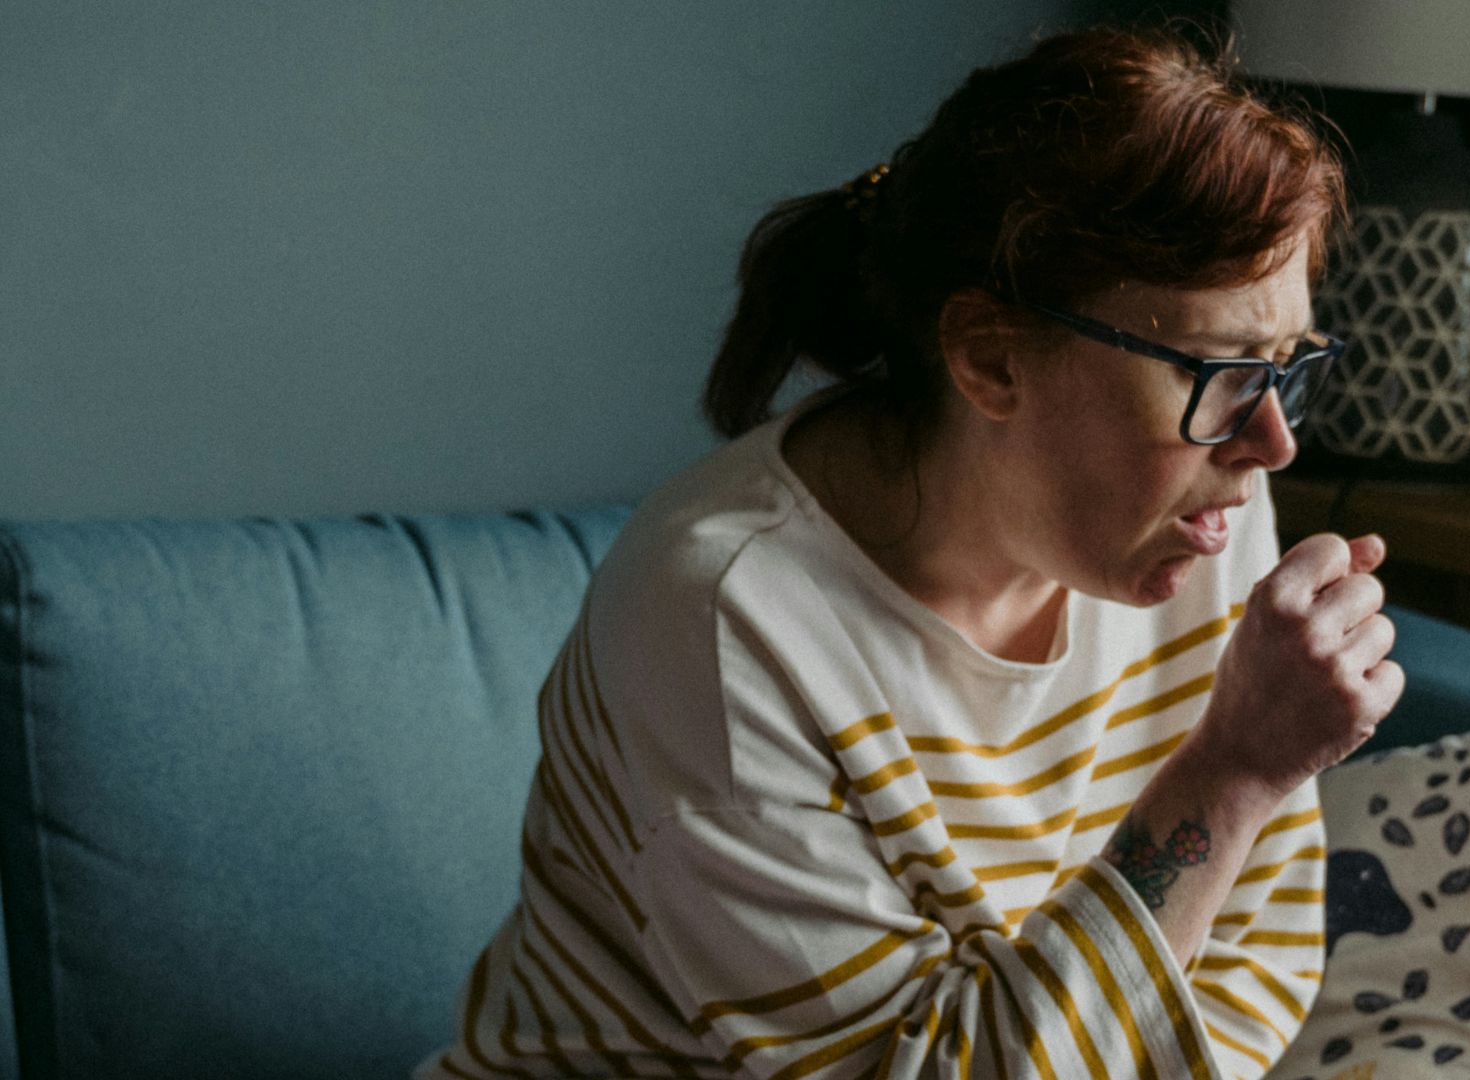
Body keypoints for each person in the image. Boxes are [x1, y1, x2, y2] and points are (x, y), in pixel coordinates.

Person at [417, 23, 1400, 1080]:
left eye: (1285, 364)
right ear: (990, 359)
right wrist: (1234, 772)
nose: (1272, 441)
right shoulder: (725, 621)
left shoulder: (1205, 505)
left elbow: (1251, 965)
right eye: (1219, 370)